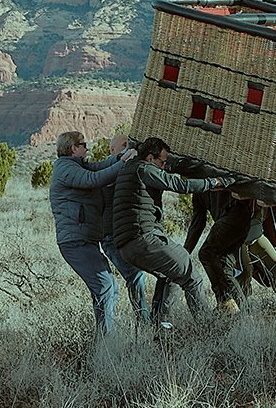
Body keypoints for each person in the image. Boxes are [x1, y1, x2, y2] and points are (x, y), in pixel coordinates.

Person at [110, 136, 230, 326]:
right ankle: (207, 328)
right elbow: (179, 185)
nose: (164, 166)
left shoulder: (128, 168)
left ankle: (161, 328)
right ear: (150, 158)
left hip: (127, 247)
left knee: (170, 275)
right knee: (191, 276)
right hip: (145, 239)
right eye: (162, 162)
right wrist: (213, 182)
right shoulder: (145, 169)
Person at [49, 131, 147, 332]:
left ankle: (105, 338)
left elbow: (101, 165)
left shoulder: (77, 165)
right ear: (73, 148)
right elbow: (94, 179)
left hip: (84, 238)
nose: (87, 149)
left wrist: (124, 155)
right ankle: (105, 341)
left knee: (109, 288)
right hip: (75, 241)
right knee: (105, 287)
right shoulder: (65, 168)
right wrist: (124, 163)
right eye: (83, 145)